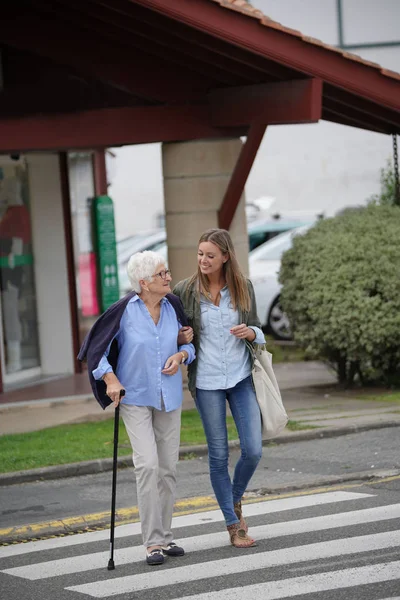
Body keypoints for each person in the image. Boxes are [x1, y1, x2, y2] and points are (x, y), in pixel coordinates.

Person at [78, 251, 195, 566]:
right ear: (143, 283)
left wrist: (182, 354)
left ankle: (166, 537)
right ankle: (152, 543)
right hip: (134, 398)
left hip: (168, 396)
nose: (168, 277)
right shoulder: (123, 312)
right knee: (147, 465)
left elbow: (189, 343)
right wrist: (112, 379)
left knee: (168, 468)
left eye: (167, 271)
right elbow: (95, 352)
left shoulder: (173, 307)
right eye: (161, 274)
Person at [173, 228, 265, 548]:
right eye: (200, 254)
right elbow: (173, 333)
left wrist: (250, 333)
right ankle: (233, 524)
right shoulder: (185, 291)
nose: (203, 260)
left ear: (225, 256)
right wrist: (181, 339)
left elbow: (258, 329)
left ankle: (233, 499)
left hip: (240, 378)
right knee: (219, 455)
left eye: (210, 255)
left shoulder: (243, 287)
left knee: (253, 449)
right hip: (208, 381)